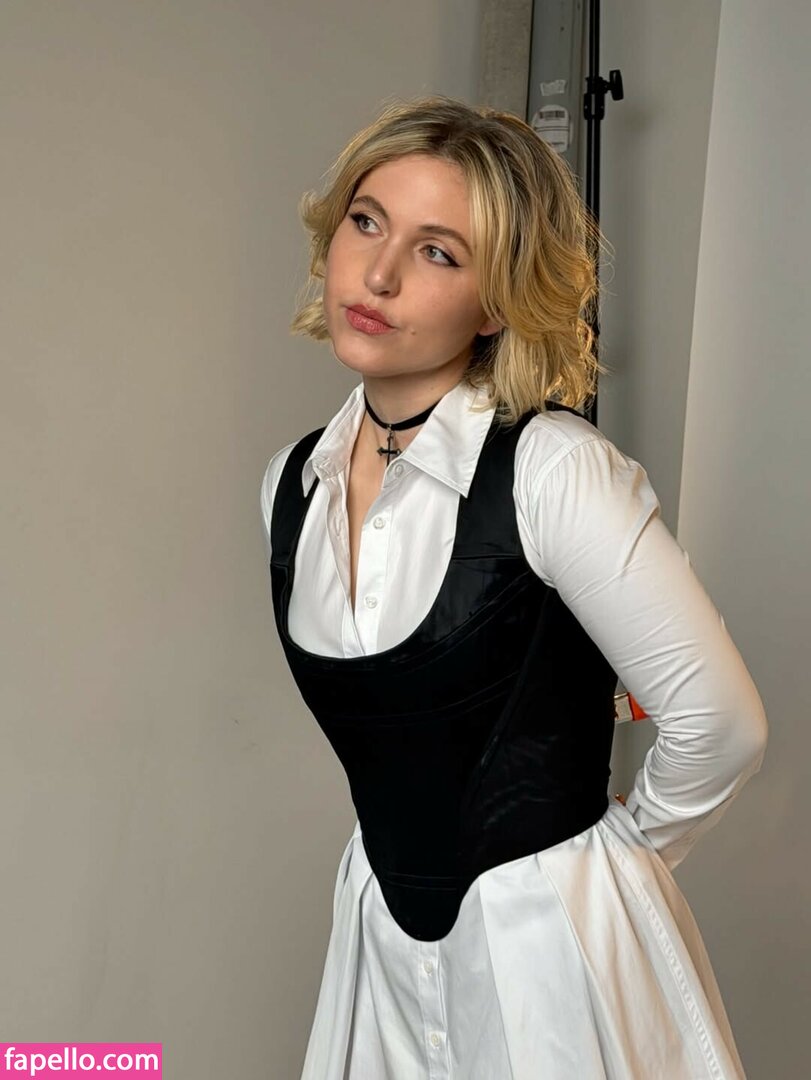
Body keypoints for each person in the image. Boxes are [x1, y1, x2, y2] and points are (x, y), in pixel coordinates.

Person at [260, 95, 768, 1080]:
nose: (380, 273)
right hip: (378, 931)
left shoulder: (552, 469)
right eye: (366, 221)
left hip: (552, 951)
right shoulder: (291, 485)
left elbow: (721, 724)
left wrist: (600, 870)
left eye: (438, 252)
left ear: (495, 302)